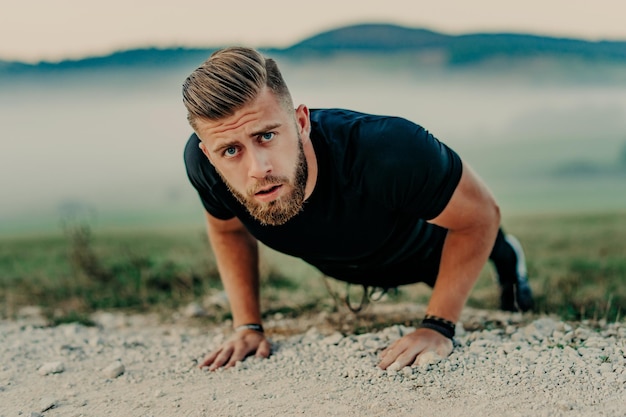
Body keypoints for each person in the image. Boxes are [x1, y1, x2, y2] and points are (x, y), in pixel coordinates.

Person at [181, 47, 534, 372]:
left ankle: (511, 267)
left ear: (301, 122)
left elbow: (481, 215)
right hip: (343, 259)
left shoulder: (388, 150)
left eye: (266, 136)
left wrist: (437, 325)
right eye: (230, 151)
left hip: (428, 246)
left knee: (496, 255)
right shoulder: (204, 167)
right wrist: (248, 326)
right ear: (210, 155)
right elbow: (227, 230)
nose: (258, 168)